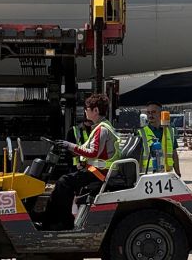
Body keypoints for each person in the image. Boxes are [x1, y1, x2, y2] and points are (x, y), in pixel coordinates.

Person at [43, 94, 120, 230]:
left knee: (64, 182)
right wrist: (69, 146)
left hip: (99, 172)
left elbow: (93, 153)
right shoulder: (102, 126)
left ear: (95, 110)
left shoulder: (101, 129)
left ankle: (62, 223)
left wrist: (69, 145)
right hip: (97, 170)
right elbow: (88, 149)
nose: (85, 111)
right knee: (65, 182)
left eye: (87, 109)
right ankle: (59, 221)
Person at [138, 101, 180, 175]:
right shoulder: (141, 133)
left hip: (167, 174)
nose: (150, 115)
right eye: (148, 112)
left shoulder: (170, 131)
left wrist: (178, 173)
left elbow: (174, 154)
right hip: (148, 175)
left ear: (161, 114)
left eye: (153, 112)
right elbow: (137, 157)